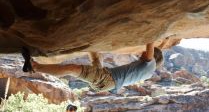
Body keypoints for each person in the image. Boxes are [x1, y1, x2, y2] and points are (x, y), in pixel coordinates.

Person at [22, 40, 166, 93]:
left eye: (145, 53)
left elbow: (150, 44)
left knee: (73, 69)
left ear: (154, 57)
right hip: (107, 80)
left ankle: (34, 66)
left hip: (108, 79)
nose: (141, 53)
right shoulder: (148, 72)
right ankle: (88, 40)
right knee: (96, 56)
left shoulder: (150, 64)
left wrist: (153, 32)